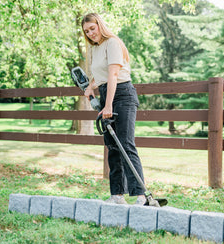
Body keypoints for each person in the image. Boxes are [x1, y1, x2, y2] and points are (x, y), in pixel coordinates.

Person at [81, 13, 146, 205]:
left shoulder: (112, 43)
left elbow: (114, 74)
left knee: (125, 143)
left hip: (122, 94)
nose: (90, 33)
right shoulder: (95, 48)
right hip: (106, 93)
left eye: (93, 28)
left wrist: (108, 105)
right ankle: (117, 195)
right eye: (86, 31)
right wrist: (90, 86)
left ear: (100, 25)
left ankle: (141, 195)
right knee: (112, 146)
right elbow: (100, 74)